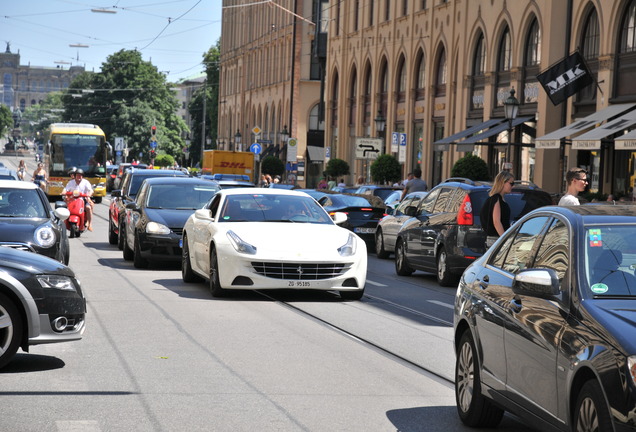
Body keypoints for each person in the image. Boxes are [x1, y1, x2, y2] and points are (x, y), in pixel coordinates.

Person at [481, 171, 514, 248]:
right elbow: (496, 222)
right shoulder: (496, 198)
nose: (513, 186)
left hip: (497, 239)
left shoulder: (499, 199)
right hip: (496, 240)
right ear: (503, 182)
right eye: (511, 183)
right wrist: (505, 240)